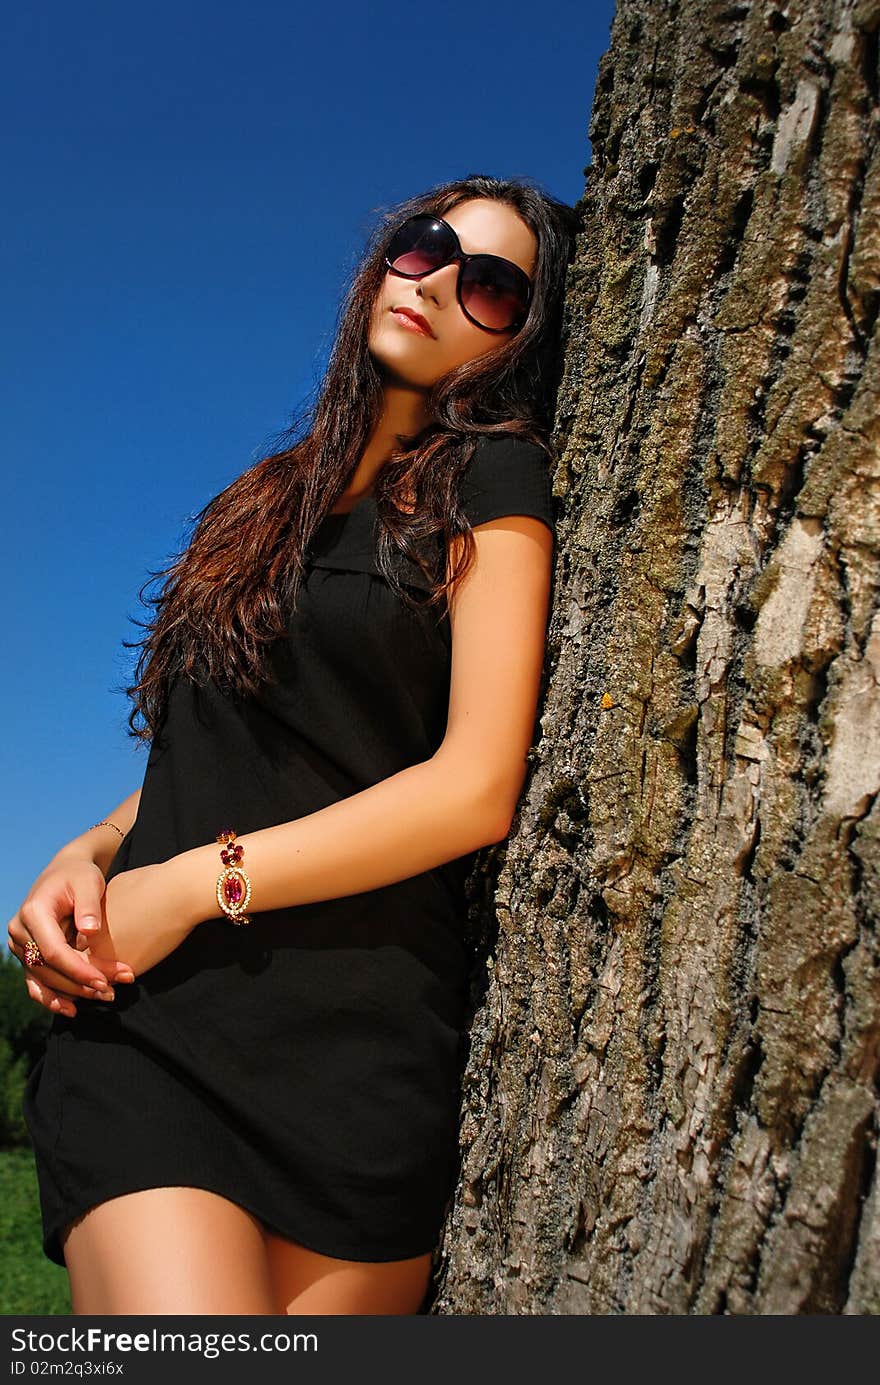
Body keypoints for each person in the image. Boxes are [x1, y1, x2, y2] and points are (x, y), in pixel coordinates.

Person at [9, 173, 576, 1315]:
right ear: (381, 258)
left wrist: (190, 881)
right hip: (159, 1023)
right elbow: (206, 743)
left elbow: (474, 786)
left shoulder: (492, 475)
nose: (436, 282)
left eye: (493, 284)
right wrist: (91, 848)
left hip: (364, 1051)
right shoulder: (257, 503)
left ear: (520, 335)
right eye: (422, 246)